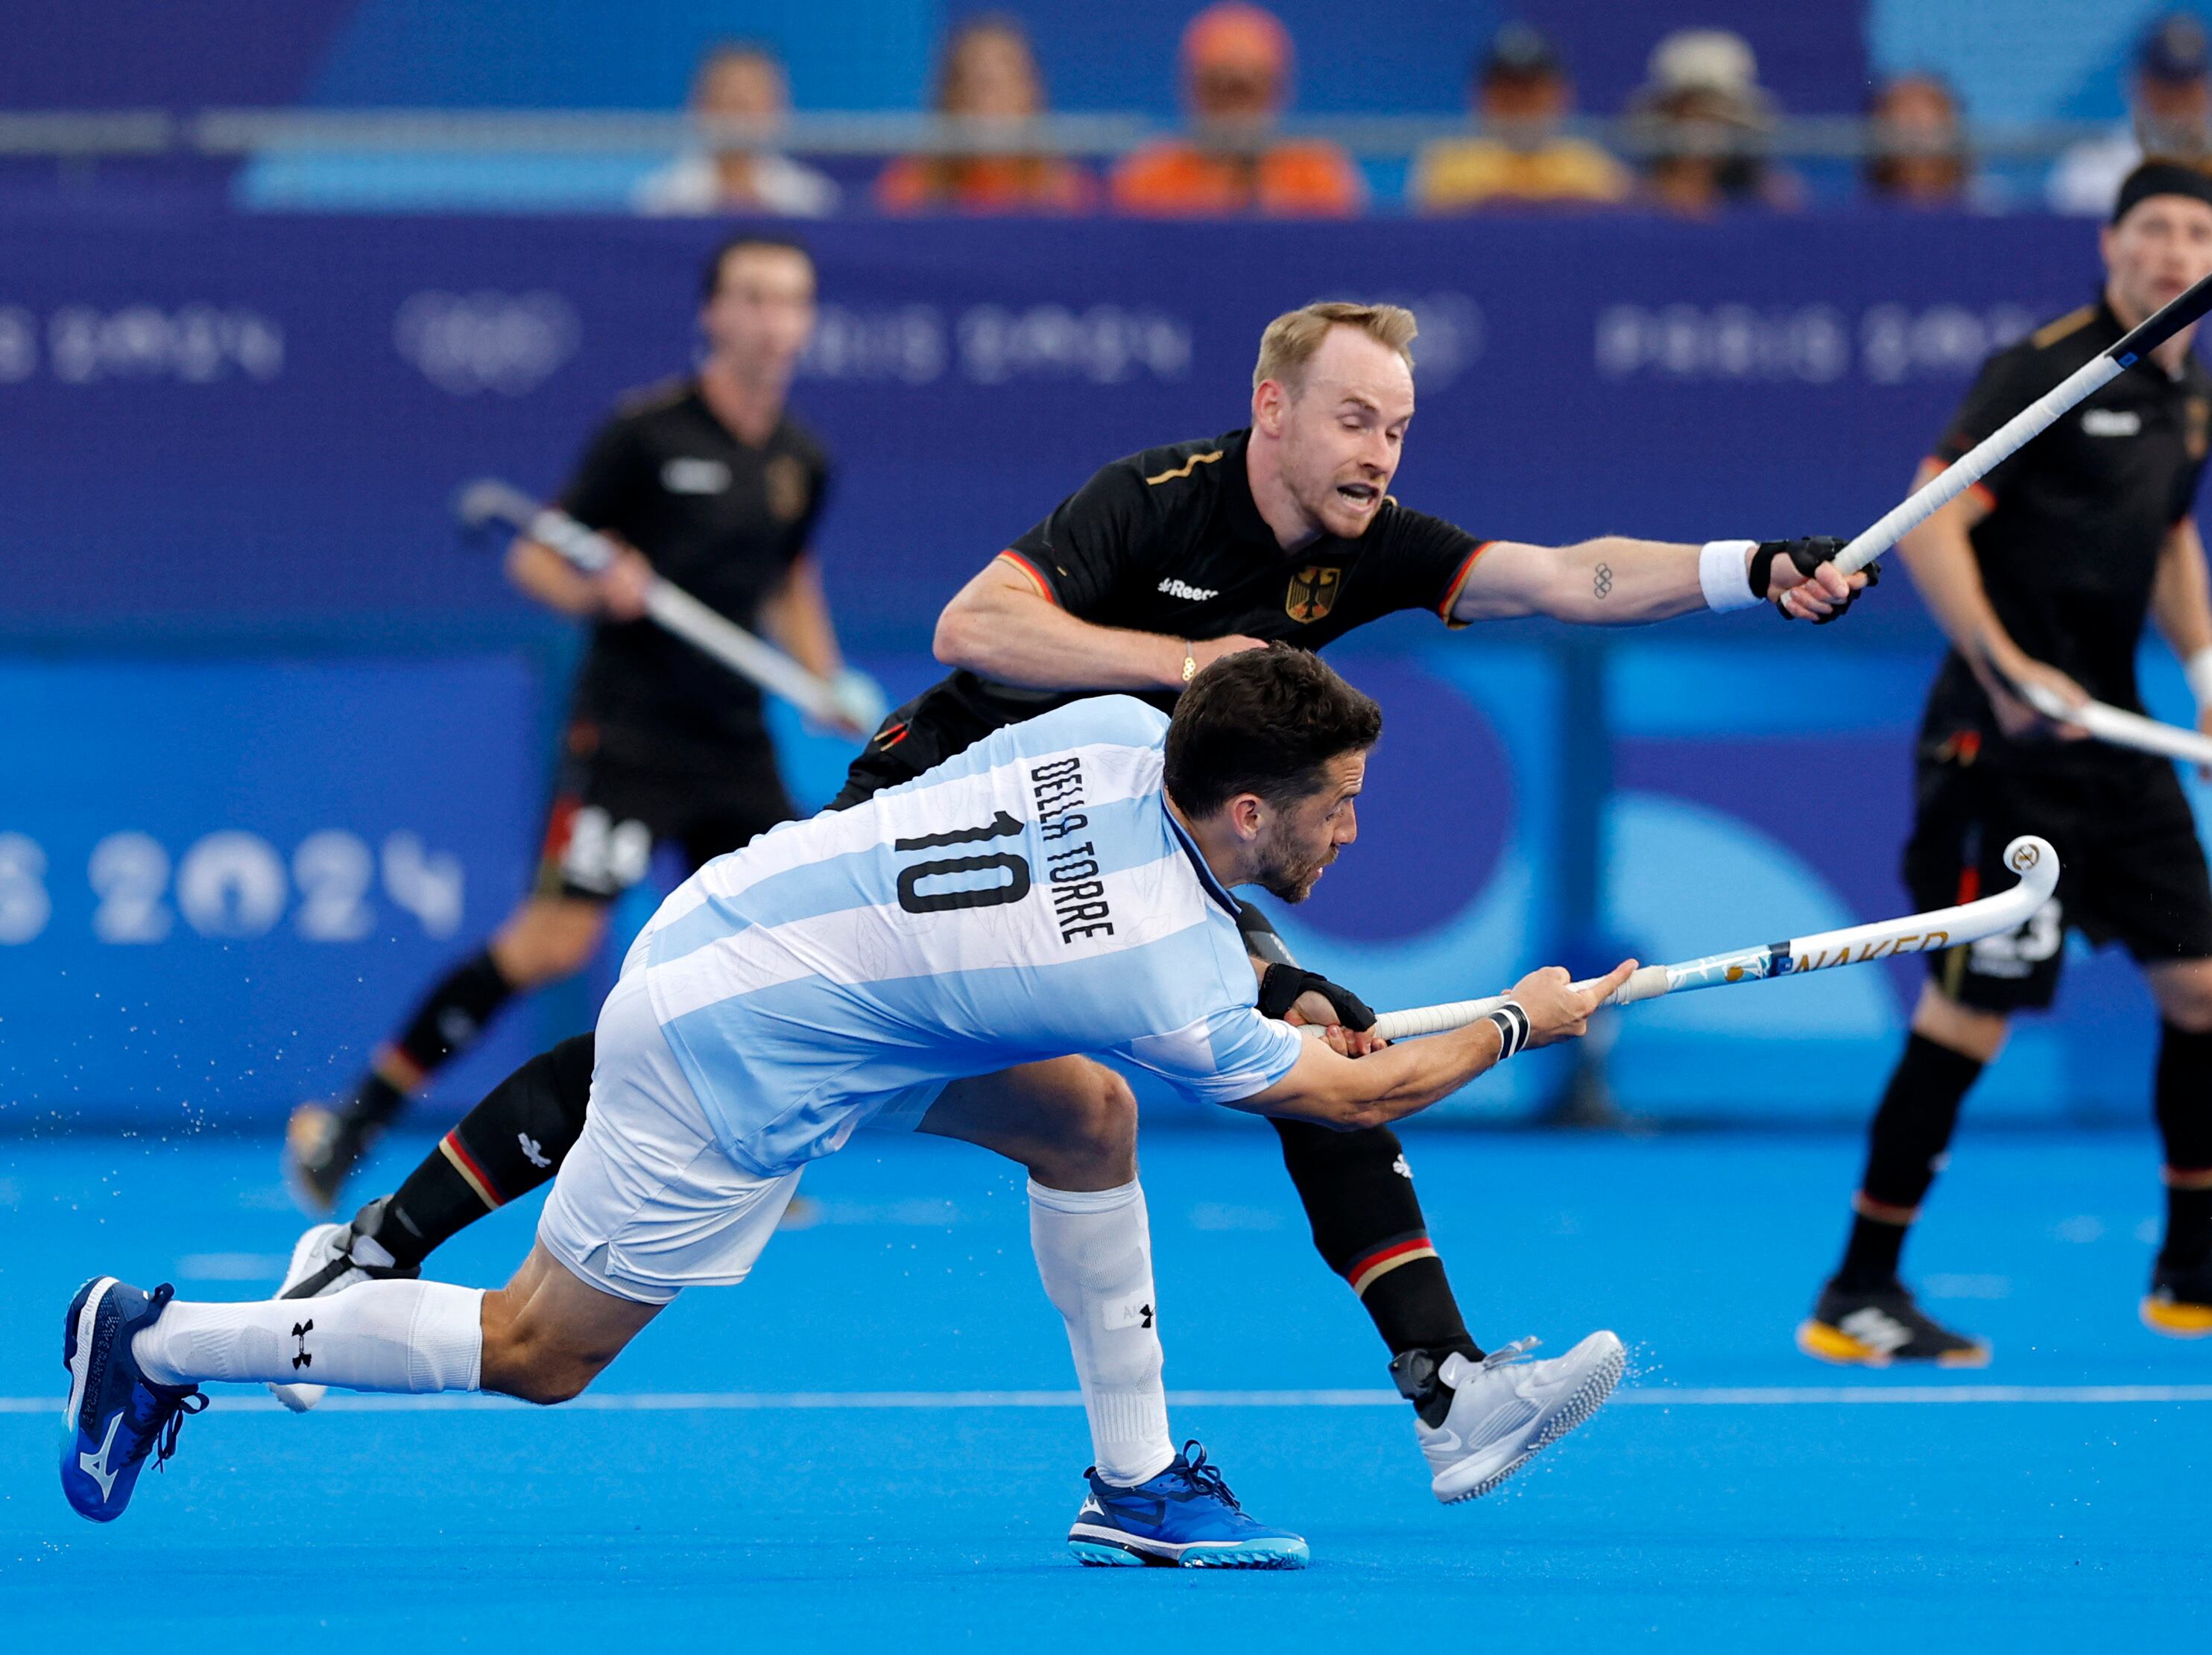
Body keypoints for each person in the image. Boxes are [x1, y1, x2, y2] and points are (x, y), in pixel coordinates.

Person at [274, 300, 1871, 1500]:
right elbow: (980, 624)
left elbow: (1572, 575)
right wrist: (1197, 671)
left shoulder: (1368, 547)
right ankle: (377, 1242)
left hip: (1136, 854)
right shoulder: (1160, 500)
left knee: (1287, 1037)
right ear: (1271, 410)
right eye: (1356, 421)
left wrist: (1754, 567)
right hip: (946, 822)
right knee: (688, 1032)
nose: (1383, 453)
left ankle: (1440, 1383)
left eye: (1400, 426)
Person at [64, 648, 1639, 1572]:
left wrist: (1272, 971)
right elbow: (1362, 1093)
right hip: (740, 1041)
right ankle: (150, 1339)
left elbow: (1099, 891)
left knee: (1085, 1120)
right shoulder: (1158, 961)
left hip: (795, 934)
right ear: (1246, 810)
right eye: (1336, 805)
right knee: (540, 1353)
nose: (1357, 828)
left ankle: (1141, 1487)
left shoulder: (1118, 734)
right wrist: (1526, 1019)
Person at [1798, 157, 2212, 1368]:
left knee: (2209, 995)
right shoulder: (2047, 368)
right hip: (2001, 752)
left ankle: (2192, 1265)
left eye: (2198, 232)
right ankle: (1858, 1286)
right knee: (1972, 1015)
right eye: (2153, 230)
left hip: (2120, 742)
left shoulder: (2197, 400)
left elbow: (2174, 544)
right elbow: (1932, 516)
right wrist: (2002, 672)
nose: (2175, 251)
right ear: (2112, 245)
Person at [283, 234, 879, 1212]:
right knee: (554, 943)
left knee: (769, 942)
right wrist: (603, 591)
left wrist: (821, 677)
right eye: (755, 300)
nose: (775, 322)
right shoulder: (644, 436)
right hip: (630, 739)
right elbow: (537, 559)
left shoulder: (800, 460)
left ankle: (742, 1153)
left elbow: (788, 578)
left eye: (792, 303)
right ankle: (357, 1117)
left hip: (732, 742)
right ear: (713, 317)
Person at [2047, 13, 2212, 218]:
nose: (2179, 103)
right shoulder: (2091, 170)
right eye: (2166, 86)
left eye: (2191, 88)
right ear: (2139, 86)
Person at [1110, 3, 1365, 218]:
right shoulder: (1148, 176)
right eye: (1220, 85)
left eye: (1247, 88)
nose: (1235, 108)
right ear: (1192, 89)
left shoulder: (1318, 175)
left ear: (1279, 89)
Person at [876, 15, 1097, 215]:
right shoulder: (910, 191)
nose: (990, 99)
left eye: (1006, 81)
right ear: (950, 95)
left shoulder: (1070, 196)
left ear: (1032, 90)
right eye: (978, 82)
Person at [1412, 23, 1630, 214]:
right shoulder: (1448, 165)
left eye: (1530, 90)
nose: (1519, 103)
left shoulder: (1592, 168)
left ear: (1561, 94)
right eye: (1506, 90)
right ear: (1481, 96)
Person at [633, 43, 839, 218]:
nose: (740, 113)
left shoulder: (810, 200)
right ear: (699, 104)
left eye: (752, 100)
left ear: (779, 106)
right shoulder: (663, 199)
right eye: (727, 98)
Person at [1628, 28, 1804, 216]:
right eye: (1688, 109)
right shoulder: (1622, 189)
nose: (1700, 126)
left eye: (1716, 111)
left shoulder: (1773, 193)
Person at [1863, 73, 1971, 207]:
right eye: (1903, 112)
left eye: (1925, 112)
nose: (1915, 123)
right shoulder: (1857, 213)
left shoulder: (1986, 209)